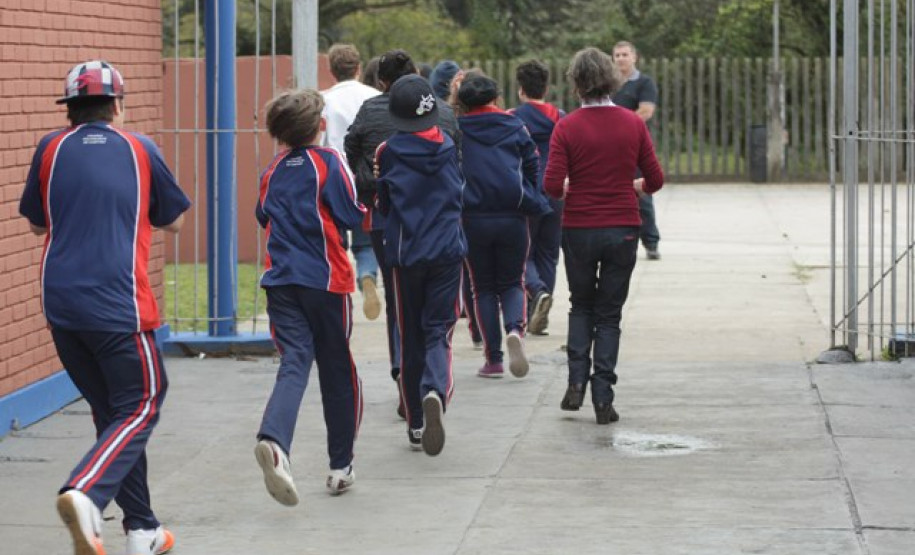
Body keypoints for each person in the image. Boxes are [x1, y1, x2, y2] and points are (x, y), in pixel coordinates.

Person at [19, 60, 190, 555]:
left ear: (70, 109)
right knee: (143, 402)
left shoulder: (50, 147)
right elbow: (174, 220)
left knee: (113, 413)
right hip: (119, 303)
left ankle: (142, 530)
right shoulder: (139, 147)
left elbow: (36, 224)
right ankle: (86, 493)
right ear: (118, 104)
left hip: (61, 305)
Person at [253, 89, 366, 504]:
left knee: (295, 361)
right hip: (325, 281)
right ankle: (341, 465)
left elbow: (262, 214)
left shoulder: (273, 170)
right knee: (338, 370)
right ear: (320, 126)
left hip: (280, 282)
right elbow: (353, 214)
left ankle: (275, 441)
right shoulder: (329, 163)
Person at [543, 47, 663, 424]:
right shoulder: (632, 123)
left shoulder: (567, 126)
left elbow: (551, 187)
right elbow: (655, 180)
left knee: (581, 305)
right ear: (612, 79)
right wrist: (634, 186)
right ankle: (603, 397)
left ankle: (576, 381)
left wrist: (570, 185)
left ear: (576, 83)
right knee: (609, 315)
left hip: (578, 228)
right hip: (623, 229)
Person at [344, 49, 461, 419]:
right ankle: (434, 386)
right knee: (438, 324)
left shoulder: (380, 136)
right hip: (443, 237)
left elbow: (353, 148)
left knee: (404, 314)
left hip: (394, 233)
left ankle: (406, 390)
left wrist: (370, 189)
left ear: (382, 84)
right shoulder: (445, 124)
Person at [374, 74, 466, 456]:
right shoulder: (448, 145)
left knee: (408, 335)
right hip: (446, 250)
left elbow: (383, 204)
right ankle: (435, 390)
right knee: (438, 331)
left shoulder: (387, 152)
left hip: (405, 254)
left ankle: (414, 422)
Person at [457, 74, 550, 379]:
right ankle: (515, 330)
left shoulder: (457, 130)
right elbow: (533, 162)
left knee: (482, 286)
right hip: (512, 215)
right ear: (495, 98)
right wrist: (532, 195)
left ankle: (493, 359)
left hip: (472, 218)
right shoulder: (513, 125)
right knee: (513, 281)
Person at [321, 44, 382, 320]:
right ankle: (367, 274)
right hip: (365, 176)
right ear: (359, 68)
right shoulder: (375, 97)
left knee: (334, 240)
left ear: (331, 71)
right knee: (365, 242)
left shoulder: (323, 100)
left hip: (333, 176)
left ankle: (338, 290)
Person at [510, 59, 565, 336]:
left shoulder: (512, 118)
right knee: (548, 253)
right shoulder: (562, 117)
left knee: (523, 253)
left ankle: (537, 292)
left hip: (527, 191)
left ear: (521, 90)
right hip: (557, 191)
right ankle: (539, 310)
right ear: (546, 87)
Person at [612, 40, 662, 260]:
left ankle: (651, 242)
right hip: (610, 147)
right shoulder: (609, 84)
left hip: (636, 147)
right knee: (610, 194)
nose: (621, 59)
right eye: (617, 55)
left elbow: (646, 111)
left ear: (634, 57)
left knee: (642, 194)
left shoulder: (644, 83)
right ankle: (616, 240)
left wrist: (617, 125)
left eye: (625, 54)